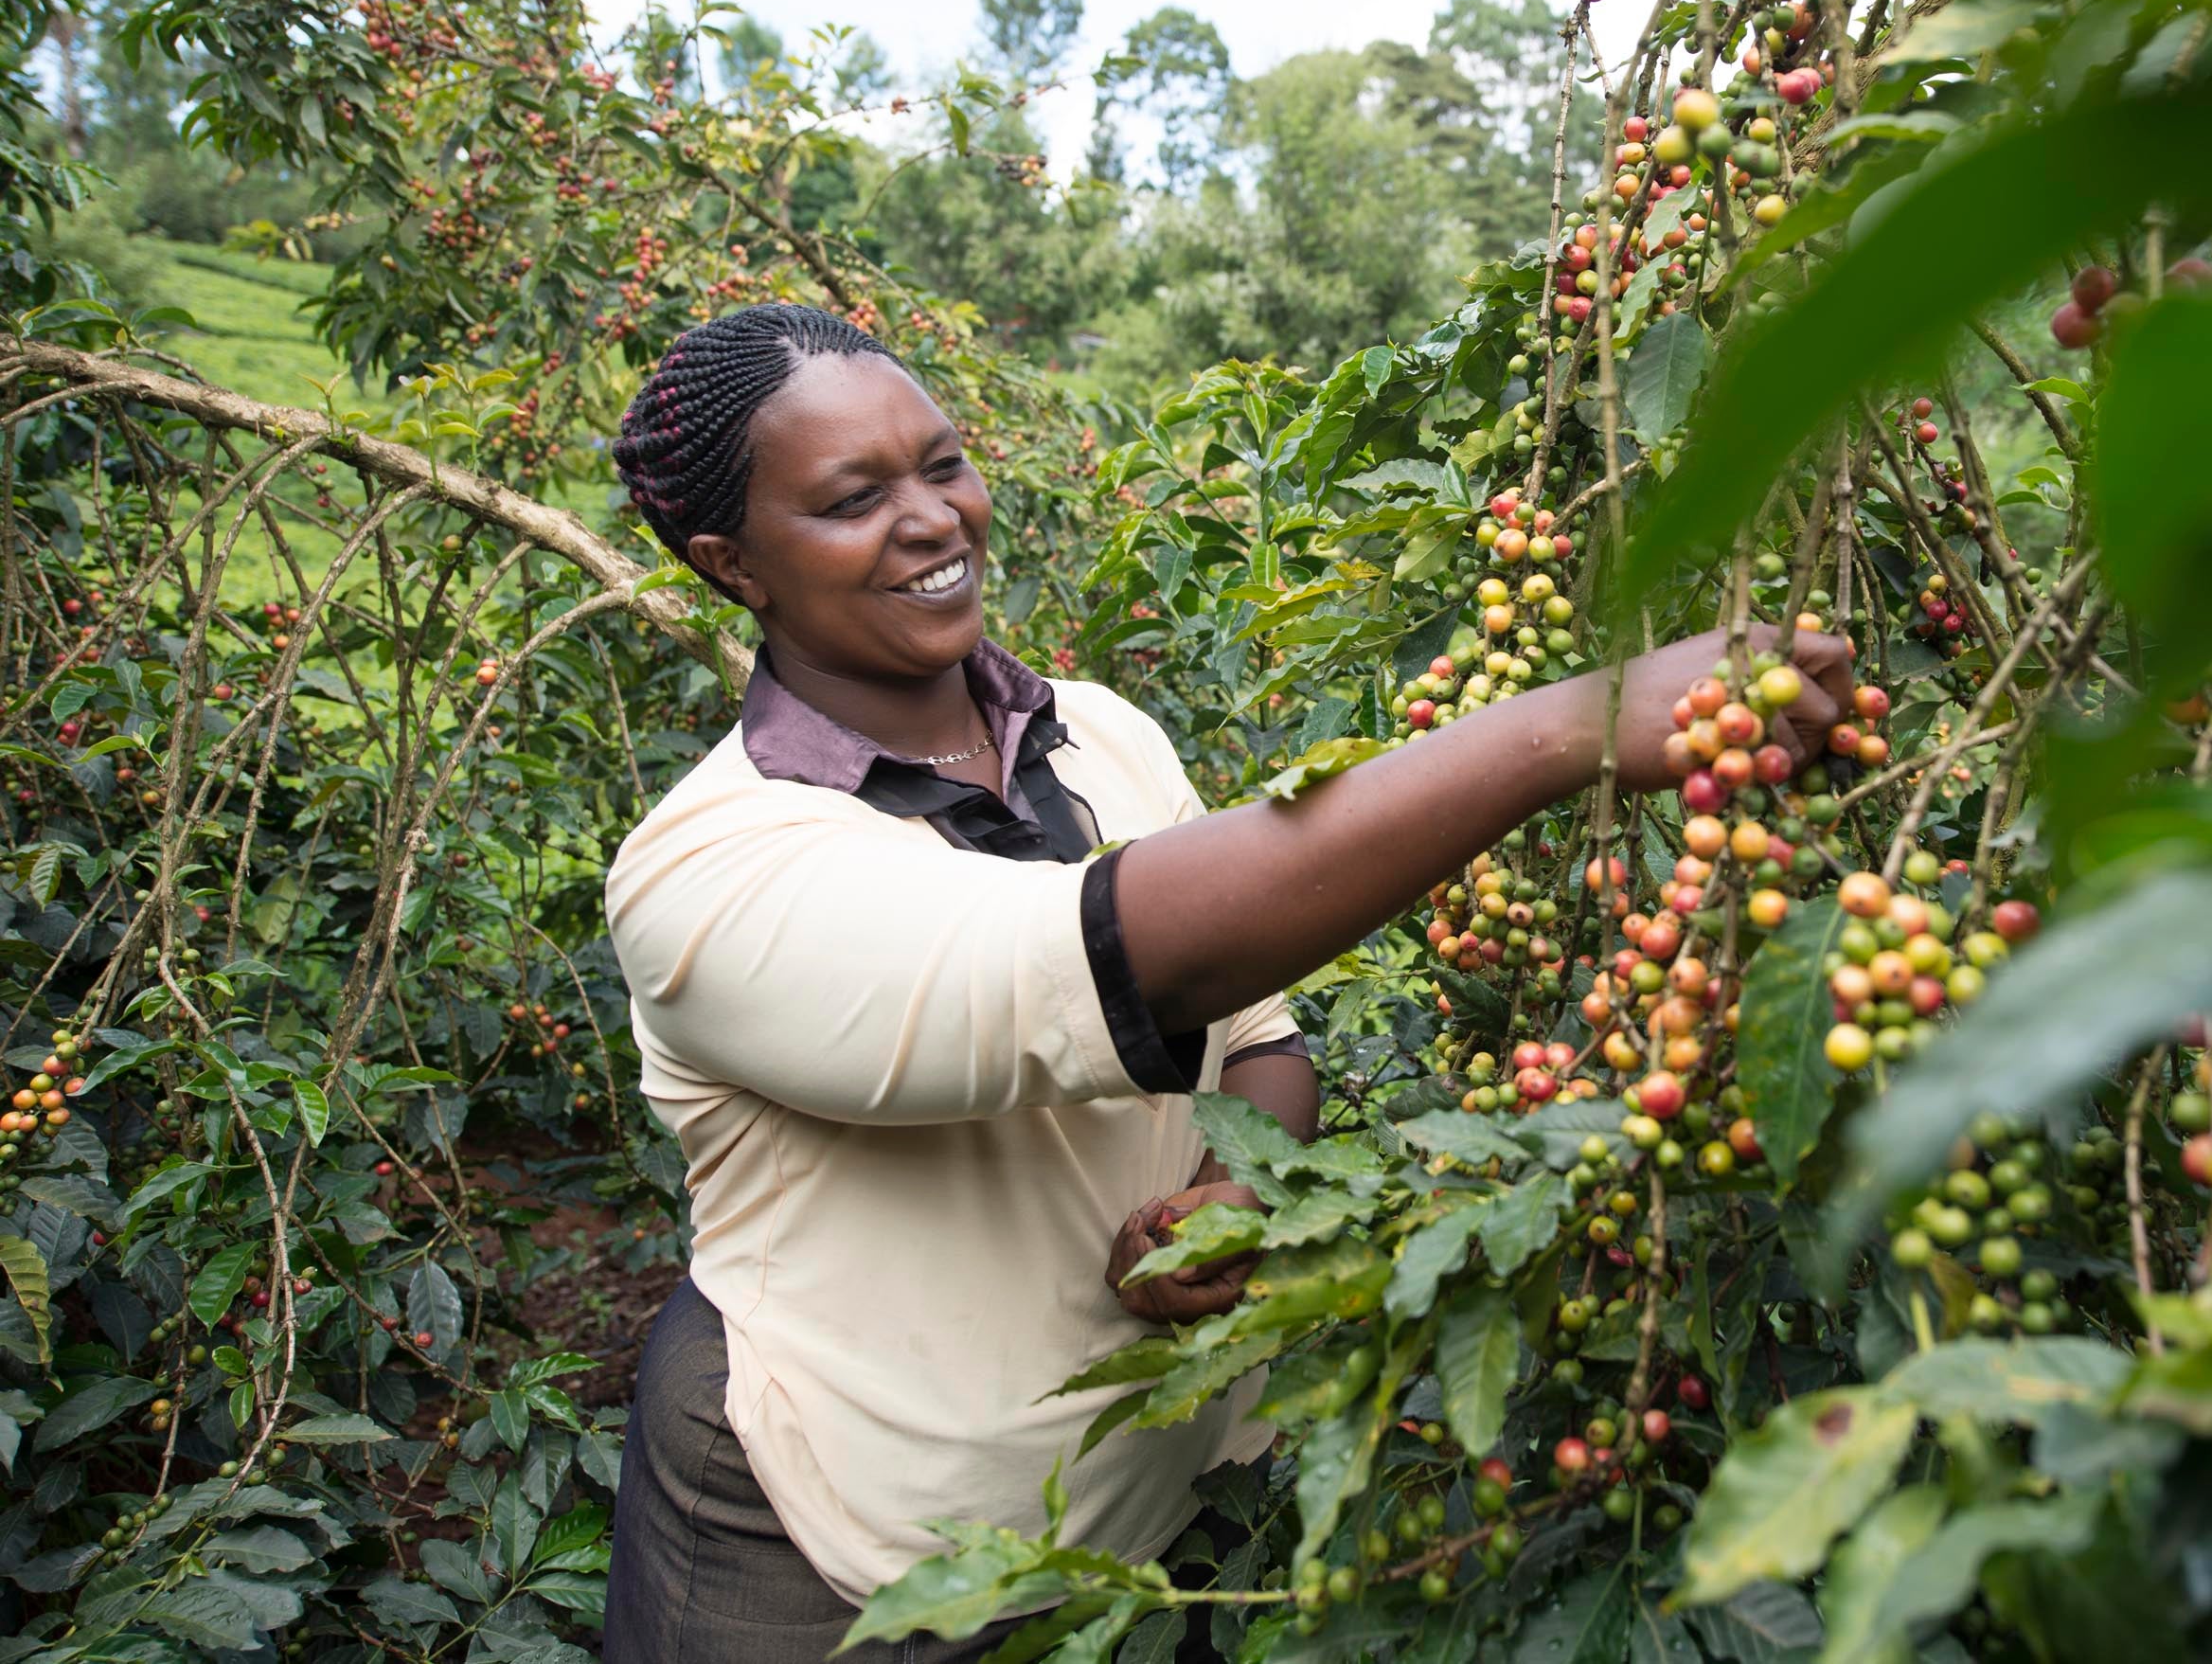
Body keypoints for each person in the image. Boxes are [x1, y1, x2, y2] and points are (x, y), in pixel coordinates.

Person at [597, 303, 1851, 1661]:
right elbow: (1140, 952)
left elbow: (1257, 1026)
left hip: (1160, 1500)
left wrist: (1242, 1184)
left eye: (942, 463)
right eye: (853, 499)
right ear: (734, 564)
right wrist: (1567, 725)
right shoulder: (711, 868)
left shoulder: (1104, 736)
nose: (932, 519)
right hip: (838, 1534)